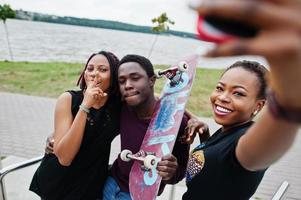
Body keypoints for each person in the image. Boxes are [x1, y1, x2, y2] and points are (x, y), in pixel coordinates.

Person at [182, 0, 301, 199]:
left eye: (238, 93)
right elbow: (217, 164)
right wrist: (204, 132)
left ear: (259, 105)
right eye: (220, 88)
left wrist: (290, 101)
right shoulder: (227, 130)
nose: (222, 98)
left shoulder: (245, 142)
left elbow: (259, 153)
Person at [30, 51, 121, 200]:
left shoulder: (117, 106)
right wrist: (85, 105)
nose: (94, 74)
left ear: (114, 77)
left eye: (103, 70)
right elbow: (65, 158)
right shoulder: (68, 99)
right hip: (59, 182)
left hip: (91, 183)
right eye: (90, 68)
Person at [103, 54, 191, 199]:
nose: (128, 85)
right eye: (122, 81)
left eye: (135, 78)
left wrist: (169, 173)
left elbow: (180, 171)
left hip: (138, 194)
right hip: (110, 182)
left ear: (152, 80)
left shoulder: (177, 123)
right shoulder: (123, 107)